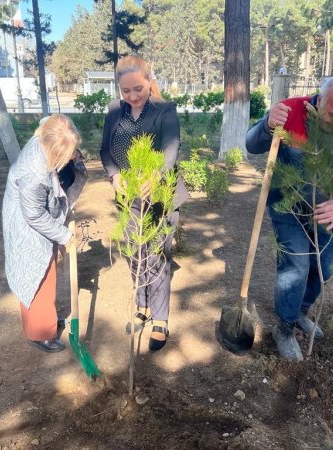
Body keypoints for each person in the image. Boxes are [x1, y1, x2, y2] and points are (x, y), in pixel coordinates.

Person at [246, 76, 333, 361]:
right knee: (295, 264)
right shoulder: (291, 111)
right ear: (319, 100)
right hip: (289, 207)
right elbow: (252, 144)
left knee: (324, 270)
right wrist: (266, 124)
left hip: (331, 213)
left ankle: (302, 310)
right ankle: (285, 327)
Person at [100, 55, 188, 352]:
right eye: (125, 91)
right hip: (128, 197)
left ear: (149, 82)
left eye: (138, 88)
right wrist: (114, 176)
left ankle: (160, 318)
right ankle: (142, 305)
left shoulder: (165, 109)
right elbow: (105, 151)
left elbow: (171, 148)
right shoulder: (115, 111)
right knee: (136, 252)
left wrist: (156, 173)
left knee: (157, 254)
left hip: (160, 196)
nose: (132, 96)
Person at [3, 114, 87, 353]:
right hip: (27, 225)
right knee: (38, 275)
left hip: (36, 215)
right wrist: (65, 235)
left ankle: (44, 319)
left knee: (45, 272)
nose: (73, 155)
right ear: (52, 151)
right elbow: (34, 215)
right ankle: (40, 333)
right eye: (69, 152)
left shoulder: (47, 132)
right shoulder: (33, 175)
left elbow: (52, 122)